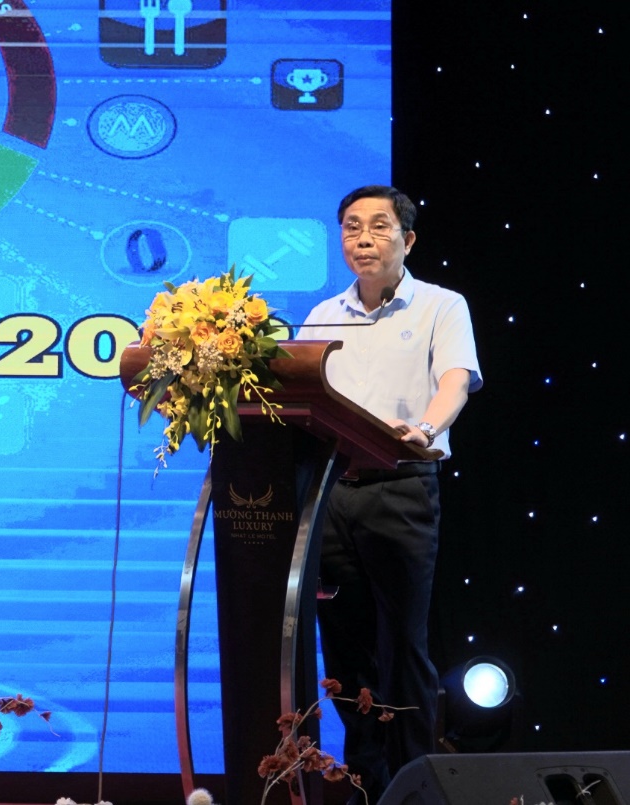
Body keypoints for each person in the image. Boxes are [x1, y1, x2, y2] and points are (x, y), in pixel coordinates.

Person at [300, 185, 482, 803]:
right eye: (352, 227)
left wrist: (426, 428)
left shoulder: (440, 305)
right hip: (332, 496)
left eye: (379, 227)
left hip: (401, 488)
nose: (363, 238)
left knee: (402, 646)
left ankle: (416, 785)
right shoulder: (322, 315)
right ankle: (364, 784)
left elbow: (456, 380)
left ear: (408, 240)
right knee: (344, 651)